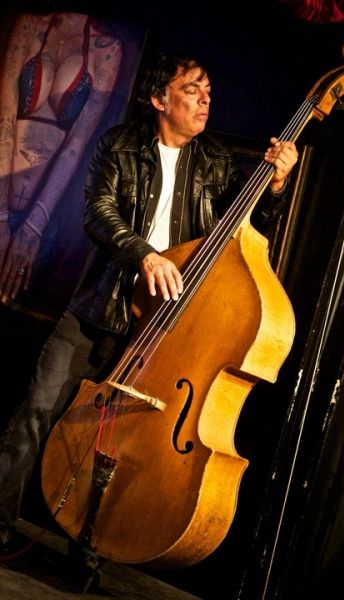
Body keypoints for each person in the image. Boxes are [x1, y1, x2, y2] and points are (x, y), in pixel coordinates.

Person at [0, 51, 298, 590]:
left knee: (120, 442)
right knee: (37, 412)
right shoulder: (119, 145)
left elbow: (247, 228)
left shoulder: (217, 161)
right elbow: (98, 212)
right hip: (100, 310)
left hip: (164, 327)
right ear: (160, 99)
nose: (205, 99)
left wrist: (274, 186)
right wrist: (145, 255)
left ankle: (89, 550)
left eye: (208, 90)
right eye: (192, 90)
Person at [0, 11, 122, 305]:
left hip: (42, 216)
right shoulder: (30, 26)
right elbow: (3, 121)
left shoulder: (106, 48)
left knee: (15, 311)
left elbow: (75, 146)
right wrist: (0, 214)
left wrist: (33, 227)